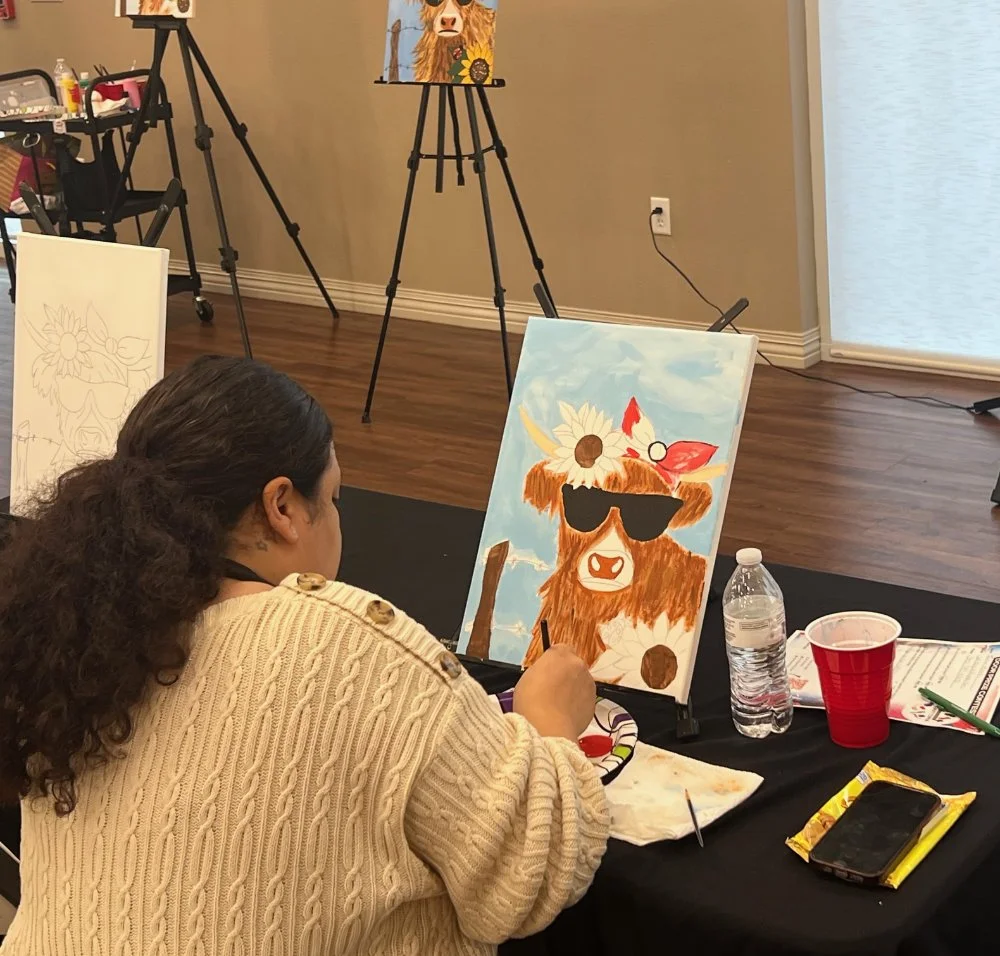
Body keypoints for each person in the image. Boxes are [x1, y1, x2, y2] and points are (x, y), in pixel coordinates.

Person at [0, 355, 609, 955]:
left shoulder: (71, 639)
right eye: (336, 496)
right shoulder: (347, 644)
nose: (340, 520)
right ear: (283, 507)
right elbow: (532, 871)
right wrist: (549, 723)